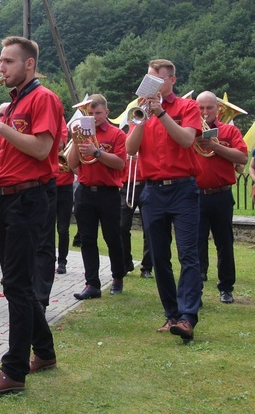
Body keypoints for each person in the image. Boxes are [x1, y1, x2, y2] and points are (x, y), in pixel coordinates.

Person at [0, 36, 60, 393]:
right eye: (1, 61)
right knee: (15, 283)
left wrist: (0, 128)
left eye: (8, 62)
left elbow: (42, 149)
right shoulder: (13, 103)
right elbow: (16, 154)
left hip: (29, 199)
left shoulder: (44, 98)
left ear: (29, 64)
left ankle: (13, 372)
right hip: (8, 197)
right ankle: (46, 352)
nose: (1, 68)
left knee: (17, 286)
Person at [125, 59, 203, 342]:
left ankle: (187, 317)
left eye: (158, 81)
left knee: (188, 255)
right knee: (159, 256)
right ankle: (171, 314)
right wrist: (143, 118)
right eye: (149, 80)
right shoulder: (139, 112)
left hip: (183, 188)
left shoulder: (188, 107)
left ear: (172, 81)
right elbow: (130, 150)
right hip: (153, 190)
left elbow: (186, 140)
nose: (153, 86)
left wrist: (161, 113)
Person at [67, 94, 127, 299]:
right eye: (90, 113)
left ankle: (118, 276)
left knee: (112, 238)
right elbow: (71, 163)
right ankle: (92, 284)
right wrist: (77, 140)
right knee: (87, 239)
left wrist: (96, 152)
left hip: (108, 193)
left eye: (98, 113)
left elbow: (120, 164)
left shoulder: (117, 134)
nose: (93, 117)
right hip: (85, 191)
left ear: (107, 113)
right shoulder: (81, 133)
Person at [194, 91, 249, 304]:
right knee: (196, 244)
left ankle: (226, 287)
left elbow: (242, 157)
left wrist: (215, 146)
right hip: (196, 195)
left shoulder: (229, 130)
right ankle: (196, 287)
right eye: (201, 108)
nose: (205, 112)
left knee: (224, 243)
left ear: (218, 109)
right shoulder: (190, 131)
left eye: (209, 108)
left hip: (221, 195)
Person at [120, 147, 153, 279]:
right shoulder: (125, 138)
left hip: (147, 184)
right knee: (122, 227)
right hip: (127, 185)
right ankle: (126, 262)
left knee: (149, 228)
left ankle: (147, 267)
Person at [55, 115, 74, 275]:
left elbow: (76, 170)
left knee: (63, 228)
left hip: (65, 189)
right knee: (45, 227)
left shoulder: (69, 147)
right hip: (51, 187)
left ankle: (62, 261)